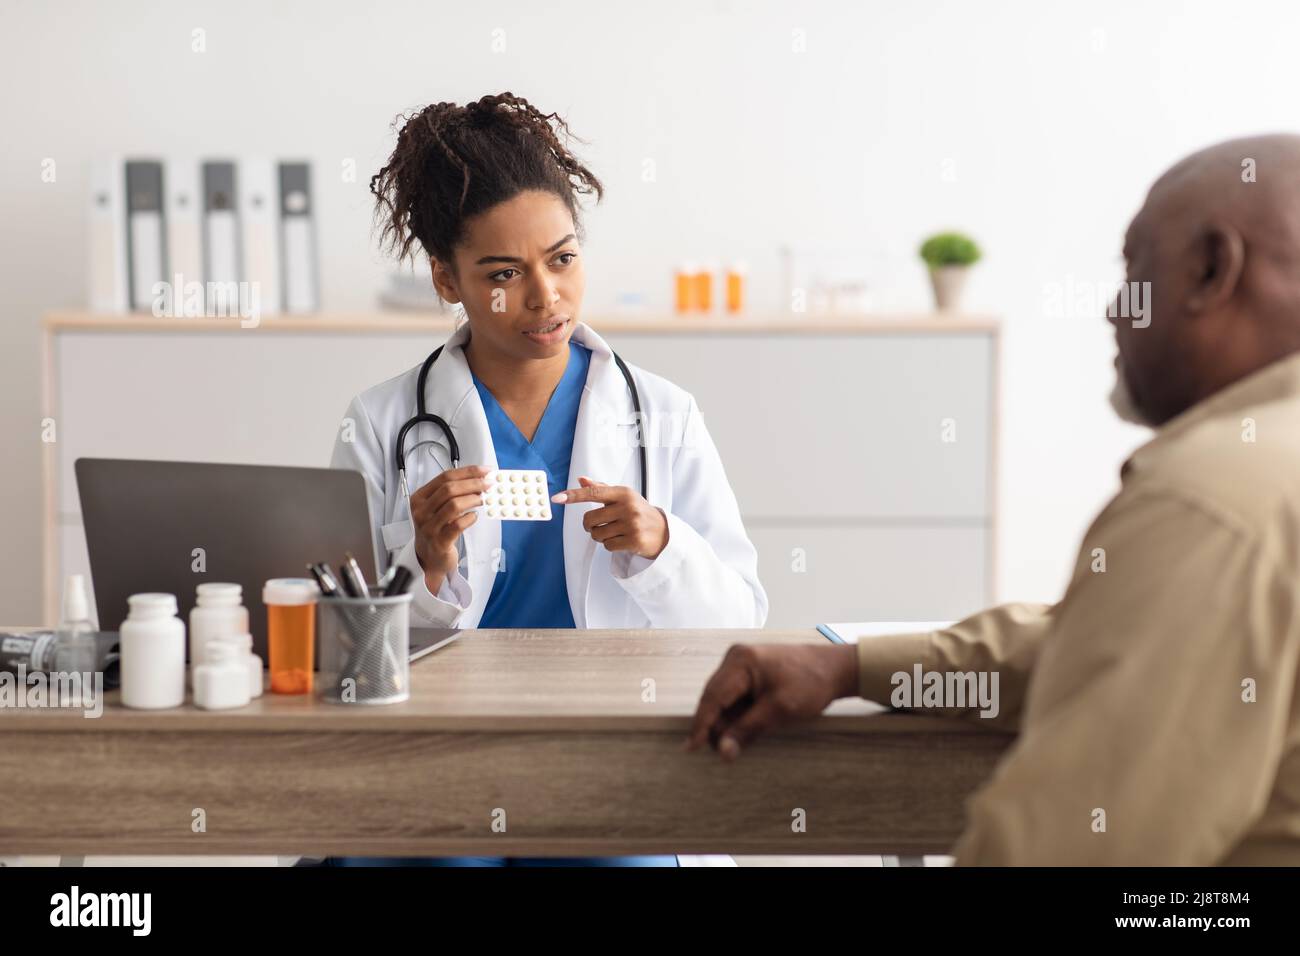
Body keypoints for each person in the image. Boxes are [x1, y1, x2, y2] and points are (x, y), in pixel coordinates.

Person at [687, 134, 1300, 866]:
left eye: (1135, 266)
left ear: (1210, 269)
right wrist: (852, 667)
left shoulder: (1211, 505)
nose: (1112, 309)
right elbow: (1099, 640)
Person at [328, 92, 766, 866]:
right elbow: (341, 658)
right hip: (437, 752)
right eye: (504, 273)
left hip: (609, 751)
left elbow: (742, 625)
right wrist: (426, 567)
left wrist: (664, 546)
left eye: (562, 259)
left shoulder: (662, 415)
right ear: (446, 278)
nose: (545, 296)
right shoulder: (380, 422)